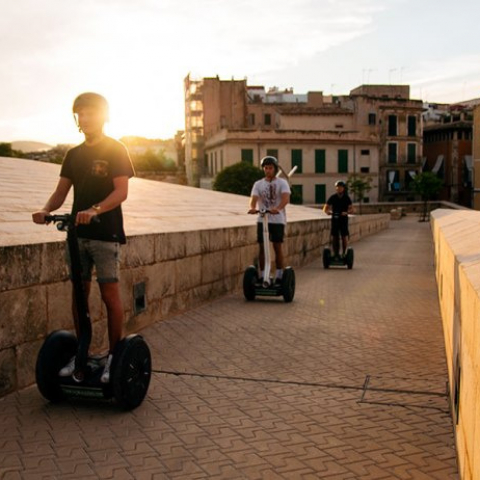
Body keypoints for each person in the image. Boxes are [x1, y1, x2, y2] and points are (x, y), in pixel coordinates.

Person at [32, 92, 135, 383]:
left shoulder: (116, 149)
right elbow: (61, 192)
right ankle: (82, 353)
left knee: (108, 294)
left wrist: (95, 209)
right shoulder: (73, 155)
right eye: (81, 114)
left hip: (105, 234)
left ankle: (115, 355)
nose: (85, 118)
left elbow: (121, 192)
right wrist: (45, 209)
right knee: (79, 296)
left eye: (90, 113)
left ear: (102, 116)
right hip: (77, 236)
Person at [248, 156, 291, 283]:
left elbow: (285, 198)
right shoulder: (258, 184)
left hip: (277, 220)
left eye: (270, 168)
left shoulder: (282, 183)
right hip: (262, 220)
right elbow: (254, 198)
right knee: (262, 247)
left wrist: (278, 208)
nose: (267, 170)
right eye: (265, 168)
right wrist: (252, 207)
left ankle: (279, 274)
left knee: (277, 247)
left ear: (275, 168)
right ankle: (262, 275)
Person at [323, 180, 354, 258]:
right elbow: (325, 208)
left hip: (343, 218)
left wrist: (346, 212)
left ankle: (344, 252)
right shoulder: (333, 197)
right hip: (335, 218)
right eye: (337, 187)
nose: (339, 189)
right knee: (334, 236)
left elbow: (352, 209)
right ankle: (335, 253)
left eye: (340, 187)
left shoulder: (346, 198)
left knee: (344, 236)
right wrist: (328, 212)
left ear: (343, 188)